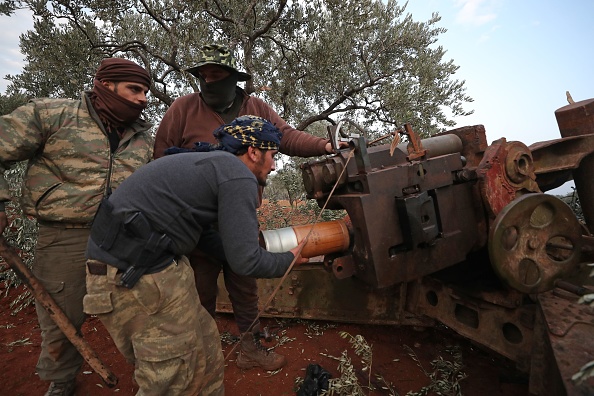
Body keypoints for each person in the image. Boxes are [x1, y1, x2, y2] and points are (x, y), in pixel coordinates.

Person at [83, 115, 308, 395]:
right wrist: (289, 259)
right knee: (172, 377)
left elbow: (207, 237)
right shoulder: (238, 175)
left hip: (156, 266)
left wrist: (248, 248)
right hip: (132, 278)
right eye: (273, 155)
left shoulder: (212, 165)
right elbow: (245, 262)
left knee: (206, 350)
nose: (274, 165)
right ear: (253, 152)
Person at [153, 43, 336, 371]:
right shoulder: (182, 109)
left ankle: (250, 348)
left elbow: (288, 138)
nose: (209, 81)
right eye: (203, 75)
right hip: (198, 222)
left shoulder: (256, 107)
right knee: (200, 287)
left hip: (239, 214)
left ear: (233, 78)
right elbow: (160, 156)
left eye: (217, 75)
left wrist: (326, 145)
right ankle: (202, 356)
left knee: (245, 281)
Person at [0, 58, 153, 396]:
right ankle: (62, 379)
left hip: (123, 238)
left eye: (146, 91)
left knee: (140, 311)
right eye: (135, 89)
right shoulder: (52, 114)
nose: (143, 98)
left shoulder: (142, 138)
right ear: (106, 85)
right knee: (61, 316)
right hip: (65, 236)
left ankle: (152, 376)